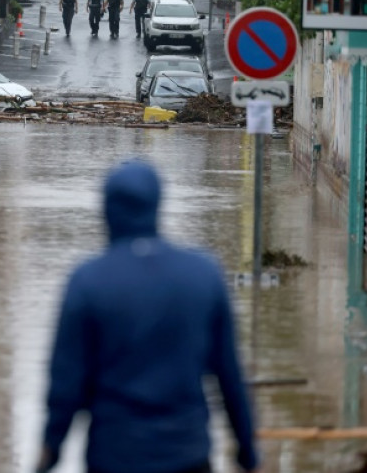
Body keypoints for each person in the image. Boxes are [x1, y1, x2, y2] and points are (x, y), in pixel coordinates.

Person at [36, 160, 259, 473]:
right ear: (157, 205)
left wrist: (50, 451)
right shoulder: (203, 274)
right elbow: (229, 374)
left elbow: (66, 383)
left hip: (114, 456)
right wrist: (247, 451)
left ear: (107, 209)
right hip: (188, 455)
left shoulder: (88, 281)